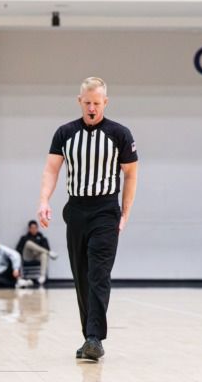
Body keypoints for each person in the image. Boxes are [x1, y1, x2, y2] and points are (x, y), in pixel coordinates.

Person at [38, 77, 140, 363]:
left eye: (97, 103)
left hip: (106, 210)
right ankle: (89, 338)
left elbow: (131, 175)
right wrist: (44, 200)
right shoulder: (65, 133)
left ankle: (95, 337)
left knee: (98, 274)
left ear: (105, 102)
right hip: (76, 210)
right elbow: (51, 170)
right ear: (79, 102)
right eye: (87, 103)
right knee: (81, 276)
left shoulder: (119, 134)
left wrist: (125, 213)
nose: (92, 108)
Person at [16, 220, 56, 287]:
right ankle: (49, 253)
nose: (34, 229)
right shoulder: (24, 238)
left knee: (44, 254)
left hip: (38, 256)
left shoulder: (42, 238)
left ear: (37, 228)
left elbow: (47, 248)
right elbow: (18, 249)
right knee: (28, 243)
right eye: (32, 228)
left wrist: (37, 250)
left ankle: (42, 276)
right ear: (29, 229)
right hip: (27, 256)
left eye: (35, 228)